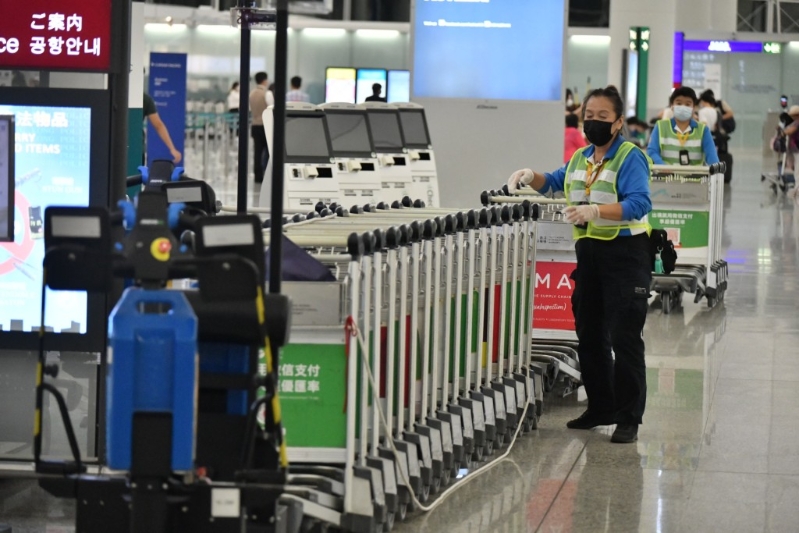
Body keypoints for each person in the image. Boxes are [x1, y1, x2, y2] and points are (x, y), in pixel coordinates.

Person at [507, 86, 652, 444]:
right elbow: (555, 183)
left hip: (626, 255)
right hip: (589, 257)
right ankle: (600, 407)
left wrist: (596, 211)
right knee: (590, 336)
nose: (594, 123)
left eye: (603, 117)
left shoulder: (630, 157)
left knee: (624, 338)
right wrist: (530, 176)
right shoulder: (580, 158)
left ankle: (628, 417)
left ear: (618, 122)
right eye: (589, 116)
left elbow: (639, 203)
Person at [647, 87, 719, 166]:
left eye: (688, 104)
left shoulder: (703, 130)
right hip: (666, 176)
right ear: (672, 106)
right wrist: (663, 167)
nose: (683, 107)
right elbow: (652, 151)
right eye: (679, 103)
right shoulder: (660, 126)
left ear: (694, 108)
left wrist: (716, 167)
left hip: (695, 177)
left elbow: (712, 156)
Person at [249, 72, 274, 184]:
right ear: (264, 80)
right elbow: (272, 108)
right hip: (266, 125)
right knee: (269, 152)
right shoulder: (267, 93)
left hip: (255, 125)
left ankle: (258, 176)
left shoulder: (252, 93)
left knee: (257, 152)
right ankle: (268, 174)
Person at [143, 92, 182, 164]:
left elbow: (158, 125)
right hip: (135, 145)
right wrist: (172, 149)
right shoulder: (144, 99)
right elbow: (158, 125)